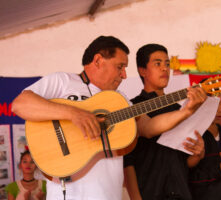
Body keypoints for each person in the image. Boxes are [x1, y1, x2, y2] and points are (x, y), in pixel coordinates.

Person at [11, 36, 206, 200]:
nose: (124, 74)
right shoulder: (63, 81)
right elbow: (20, 104)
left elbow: (147, 127)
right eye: (120, 66)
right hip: (69, 193)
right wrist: (73, 113)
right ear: (98, 61)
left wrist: (185, 112)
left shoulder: (119, 99)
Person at [123, 44, 206, 200]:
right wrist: (135, 197)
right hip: (149, 193)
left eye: (167, 64)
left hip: (181, 192)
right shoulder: (132, 108)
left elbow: (184, 162)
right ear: (142, 70)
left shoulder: (180, 109)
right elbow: (128, 161)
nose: (164, 69)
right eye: (157, 63)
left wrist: (198, 154)